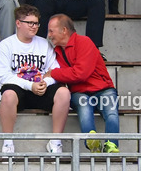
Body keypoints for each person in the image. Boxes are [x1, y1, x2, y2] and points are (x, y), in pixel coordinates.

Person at [0, 5, 70, 155]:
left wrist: (44, 83)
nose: (34, 27)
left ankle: (55, 143)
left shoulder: (44, 44)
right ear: (18, 23)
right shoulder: (5, 45)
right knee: (8, 94)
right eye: (30, 23)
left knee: (64, 93)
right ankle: (8, 144)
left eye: (36, 23)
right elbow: (4, 76)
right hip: (19, 91)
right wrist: (30, 85)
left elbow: (54, 70)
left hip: (41, 89)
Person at [45, 14, 119, 153]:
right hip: (79, 92)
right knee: (84, 109)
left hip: (103, 88)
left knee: (111, 112)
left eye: (51, 31)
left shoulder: (84, 42)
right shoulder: (56, 51)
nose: (49, 35)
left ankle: (111, 144)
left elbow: (80, 73)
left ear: (64, 30)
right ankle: (92, 142)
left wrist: (53, 73)